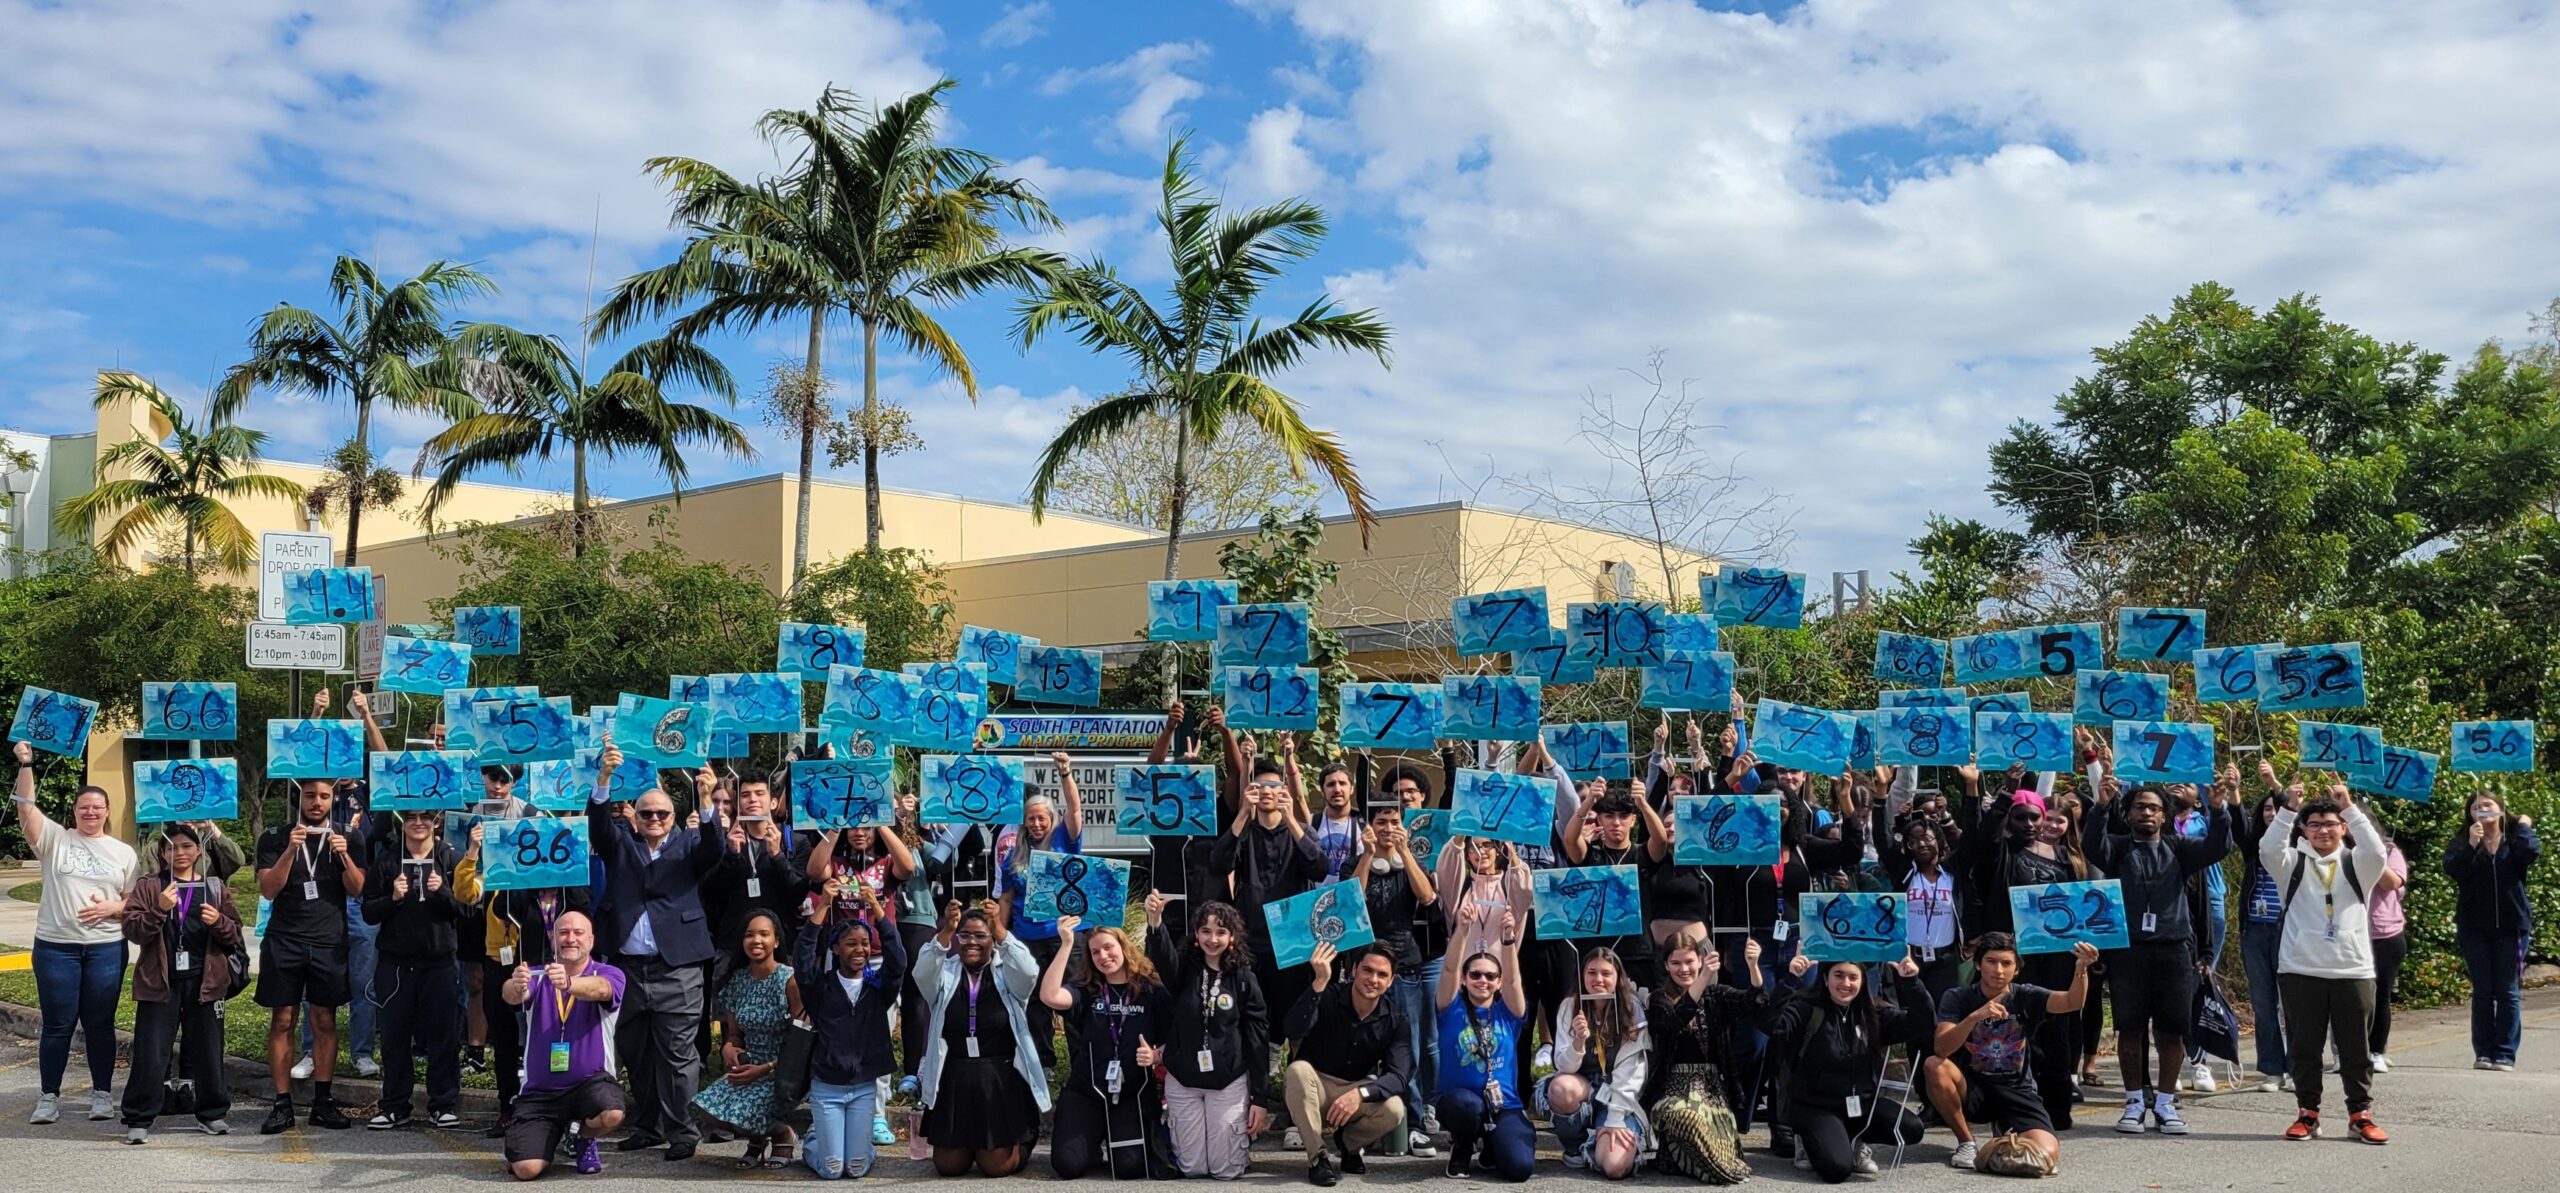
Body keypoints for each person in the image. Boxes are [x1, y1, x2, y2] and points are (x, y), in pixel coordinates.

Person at [587, 740, 729, 1160]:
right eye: (646, 812)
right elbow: (598, 828)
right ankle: (647, 1126)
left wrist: (706, 801)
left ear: (672, 817)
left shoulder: (689, 844)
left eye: (661, 813)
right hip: (627, 968)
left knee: (679, 1055)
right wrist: (604, 780)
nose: (653, 818)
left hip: (678, 967)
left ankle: (683, 1132)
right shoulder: (621, 845)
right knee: (636, 1052)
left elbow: (714, 849)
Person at [2082, 773, 2229, 1134]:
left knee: (2171, 1032)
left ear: (2165, 816)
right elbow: (2091, 846)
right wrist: (2102, 806)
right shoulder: (2117, 848)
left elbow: (2218, 846)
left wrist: (2220, 808)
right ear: (2129, 813)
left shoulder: (2180, 848)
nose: (2146, 813)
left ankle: (2165, 1104)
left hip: (2174, 950)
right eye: (2139, 807)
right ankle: (2134, 1102)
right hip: (2128, 952)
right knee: (2129, 1030)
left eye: (2154, 808)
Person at [13, 742, 138, 1127]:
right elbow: (25, 808)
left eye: (97, 807)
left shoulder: (123, 853)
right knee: (57, 1024)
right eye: (84, 806)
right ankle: (49, 1096)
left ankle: (102, 1095)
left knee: (100, 1024)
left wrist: (113, 908)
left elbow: (132, 901)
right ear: (75, 811)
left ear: (106, 812)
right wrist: (26, 763)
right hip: (56, 948)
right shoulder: (54, 840)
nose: (90, 812)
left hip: (104, 948)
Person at [2261, 790, 2390, 1143]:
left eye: (2330, 824)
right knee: (2305, 1047)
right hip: (2301, 968)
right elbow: (2268, 849)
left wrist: (2348, 804)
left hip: (2353, 969)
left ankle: (2360, 1115)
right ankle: (2308, 1113)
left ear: (2343, 828)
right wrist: (2288, 808)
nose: (2322, 831)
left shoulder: (2357, 864)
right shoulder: (2292, 864)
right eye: (2314, 824)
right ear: (2303, 830)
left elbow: (2378, 851)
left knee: (2356, 1049)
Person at [456, 819, 592, 1137]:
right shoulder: (511, 881)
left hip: (551, 971)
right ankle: (508, 1108)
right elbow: (478, 898)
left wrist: (565, 873)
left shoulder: (565, 889)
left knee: (552, 1041)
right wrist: (486, 856)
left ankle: (559, 1109)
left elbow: (584, 908)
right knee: (505, 1041)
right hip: (506, 968)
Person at [1924, 933, 2098, 1172]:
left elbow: (2071, 1002)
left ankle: (2001, 1140)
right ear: (1977, 964)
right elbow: (1941, 1047)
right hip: (1974, 1087)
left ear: (2016, 969)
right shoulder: (1958, 997)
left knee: (2046, 1155)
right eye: (1991, 962)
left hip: (2017, 1088)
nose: (1998, 970)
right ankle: (1966, 1142)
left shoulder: (2025, 995)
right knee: (1934, 1065)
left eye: (2006, 963)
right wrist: (1975, 1016)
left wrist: (2081, 969)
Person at [254, 775, 367, 1133]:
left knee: (324, 1021)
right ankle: (282, 1102)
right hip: (284, 939)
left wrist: (343, 855)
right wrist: (290, 849)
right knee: (283, 1020)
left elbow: (359, 889)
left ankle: (324, 1100)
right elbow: (268, 890)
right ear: (298, 797)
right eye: (309, 795)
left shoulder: (349, 836)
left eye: (323, 796)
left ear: (333, 798)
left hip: (328, 940)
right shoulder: (274, 836)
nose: (316, 802)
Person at [117, 822, 242, 1141]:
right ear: (161, 852)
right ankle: (140, 1118)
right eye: (171, 847)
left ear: (198, 850)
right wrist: (159, 909)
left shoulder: (214, 887)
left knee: (209, 1051)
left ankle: (212, 1113)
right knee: (151, 1052)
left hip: (206, 982)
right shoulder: (149, 887)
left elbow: (235, 935)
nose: (179, 853)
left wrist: (219, 922)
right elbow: (133, 931)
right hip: (160, 983)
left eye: (186, 846)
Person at [1767, 952, 1932, 1183]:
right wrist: (1791, 979)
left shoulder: (1871, 1013)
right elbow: (1772, 1025)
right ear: (1825, 978)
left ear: (1863, 981)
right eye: (1838, 975)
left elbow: (1921, 1025)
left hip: (1861, 1105)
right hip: (1816, 1107)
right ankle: (1806, 1139)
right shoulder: (1806, 1008)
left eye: (1853, 977)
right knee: (1836, 1169)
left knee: (1912, 1128)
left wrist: (1911, 982)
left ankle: (1854, 1140)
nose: (1845, 983)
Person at [914, 899, 1047, 1176]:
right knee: (948, 1167)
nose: (971, 942)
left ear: (992, 941)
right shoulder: (945, 972)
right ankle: (975, 1144)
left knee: (996, 1167)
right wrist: (946, 931)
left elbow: (1029, 970)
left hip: (999, 1075)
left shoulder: (1006, 973)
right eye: (965, 935)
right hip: (955, 1074)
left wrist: (999, 928)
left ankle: (1023, 1139)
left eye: (980, 936)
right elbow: (922, 971)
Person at [1041, 913, 1177, 1179]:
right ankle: (1091, 1147)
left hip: (1131, 1093)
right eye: (1095, 952)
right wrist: (1067, 943)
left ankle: (1114, 1137)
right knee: (1067, 1166)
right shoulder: (1087, 988)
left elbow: (1173, 1036)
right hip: (1087, 1092)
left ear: (1123, 947)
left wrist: (1156, 1055)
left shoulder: (1151, 990)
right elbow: (1049, 996)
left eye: (1108, 948)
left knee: (1129, 1168)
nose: (1103, 956)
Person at [1213, 742, 1326, 1064]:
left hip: (1293, 941)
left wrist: (1291, 819)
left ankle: (1295, 1086)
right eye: (1259, 787)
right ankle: (1256, 1084)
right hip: (1251, 938)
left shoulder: (1301, 830)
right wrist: (1242, 815)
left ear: (1284, 792)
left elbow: (1319, 869)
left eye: (1273, 787)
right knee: (1251, 1014)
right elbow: (1219, 864)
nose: (1266, 792)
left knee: (1297, 1020)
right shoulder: (1243, 832)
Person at [1146, 894, 1271, 1180]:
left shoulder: (1243, 979)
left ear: (1231, 938)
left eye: (1220, 932)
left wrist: (1260, 1099)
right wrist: (1156, 924)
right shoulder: (1184, 971)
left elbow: (1257, 1039)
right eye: (1205, 931)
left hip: (1228, 1079)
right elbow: (1164, 960)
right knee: (1193, 1168)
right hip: (1184, 1077)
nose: (1212, 939)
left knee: (1225, 1171)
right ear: (1196, 935)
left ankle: (1234, 1146)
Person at [359, 808, 467, 1130]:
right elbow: (367, 912)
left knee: (443, 1037)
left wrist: (443, 892)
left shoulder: (451, 859)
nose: (418, 822)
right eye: (410, 817)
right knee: (394, 1037)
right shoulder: (387, 861)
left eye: (425, 817)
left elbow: (466, 911)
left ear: (435, 821)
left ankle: (443, 1103)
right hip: (396, 965)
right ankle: (395, 1105)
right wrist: (392, 898)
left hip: (440, 963)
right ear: (401, 822)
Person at [796, 873, 908, 1180]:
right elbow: (803, 959)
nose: (859, 950)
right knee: (832, 1170)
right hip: (827, 1088)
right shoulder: (821, 988)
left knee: (856, 1169)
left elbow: (897, 960)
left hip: (862, 1089)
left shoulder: (878, 989)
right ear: (835, 949)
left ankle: (854, 1148)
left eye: (864, 944)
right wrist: (824, 906)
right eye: (850, 944)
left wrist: (876, 906)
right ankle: (814, 1139)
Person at [500, 911, 627, 1180]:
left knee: (612, 1113)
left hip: (590, 1084)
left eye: (578, 933)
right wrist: (516, 983)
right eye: (564, 933)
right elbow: (511, 994)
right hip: (541, 1092)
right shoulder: (538, 974)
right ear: (553, 938)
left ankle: (583, 1137)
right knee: (525, 1170)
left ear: (591, 940)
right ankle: (544, 1137)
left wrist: (569, 984)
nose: (571, 939)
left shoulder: (609, 973)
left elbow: (602, 989)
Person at [1349, 796, 1438, 1159]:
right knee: (1365, 1048)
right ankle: (1367, 1127)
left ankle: (1414, 1124)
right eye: (1381, 822)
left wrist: (1406, 852)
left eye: (1394, 821)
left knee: (1409, 1047)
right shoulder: (1356, 862)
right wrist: (1368, 855)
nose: (1387, 829)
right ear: (1369, 826)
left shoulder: (1408, 863)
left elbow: (1428, 896)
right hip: (1365, 963)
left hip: (1405, 965)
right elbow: (1352, 897)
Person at [1281, 943, 1413, 1186]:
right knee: (1297, 1071)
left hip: (1355, 1090)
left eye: (1382, 974)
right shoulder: (1327, 994)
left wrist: (1361, 1094)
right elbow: (1292, 1029)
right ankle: (1317, 1157)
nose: (1373, 979)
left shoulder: (1396, 1019)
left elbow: (1399, 1076)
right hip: (1316, 1085)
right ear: (1354, 970)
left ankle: (1349, 1146)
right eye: (1367, 970)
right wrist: (1318, 982)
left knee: (1394, 1109)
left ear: (1391, 981)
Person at [1645, 935, 1764, 1184]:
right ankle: (1709, 1167)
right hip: (1674, 1091)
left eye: (1689, 961)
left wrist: (1753, 966)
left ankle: (1695, 1164)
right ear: (1666, 965)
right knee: (1688, 1119)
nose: (1684, 969)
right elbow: (1673, 1022)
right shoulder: (1658, 999)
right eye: (1676, 963)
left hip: (1711, 1091)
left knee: (1715, 1137)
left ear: (1700, 961)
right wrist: (1702, 980)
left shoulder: (1715, 996)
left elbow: (1753, 1003)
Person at [692, 910, 803, 1167]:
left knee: (741, 1113)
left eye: (764, 934)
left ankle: (782, 1134)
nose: (756, 940)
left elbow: (801, 1041)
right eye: (749, 935)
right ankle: (758, 1136)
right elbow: (734, 1034)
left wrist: (766, 1068)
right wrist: (729, 1049)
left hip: (782, 1070)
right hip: (747, 1068)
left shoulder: (789, 980)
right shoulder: (738, 980)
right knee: (702, 1110)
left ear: (776, 941)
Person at [1432, 909, 1534, 1182]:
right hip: (1461, 1103)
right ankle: (1463, 1145)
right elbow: (1450, 968)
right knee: (1466, 1106)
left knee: (1519, 1168)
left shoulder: (1508, 1012)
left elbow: (1514, 980)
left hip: (1504, 1104)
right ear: (1465, 980)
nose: (1483, 981)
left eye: (1490, 977)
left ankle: (1491, 1146)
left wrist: (1508, 939)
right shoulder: (1450, 1009)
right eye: (1475, 975)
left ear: (1498, 983)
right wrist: (1462, 929)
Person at [996, 752, 1085, 1061]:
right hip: (1028, 939)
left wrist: (1065, 773)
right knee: (1034, 1002)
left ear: (1051, 819)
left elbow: (1075, 809)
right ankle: (1043, 1062)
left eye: (1041, 818)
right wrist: (1001, 937)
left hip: (1067, 937)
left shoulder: (1065, 841)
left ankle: (1080, 1060)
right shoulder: (1014, 855)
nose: (1036, 823)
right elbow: (1006, 898)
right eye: (1030, 818)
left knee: (1072, 997)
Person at [2443, 789, 2539, 1072]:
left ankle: (2505, 1053)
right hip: (2474, 927)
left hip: (2513, 926)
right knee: (2483, 991)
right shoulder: (2462, 841)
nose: (2482, 810)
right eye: (2476, 807)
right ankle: (2484, 1052)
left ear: (2500, 808)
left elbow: (2531, 853)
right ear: (2469, 814)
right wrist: (2472, 845)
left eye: (2488, 805)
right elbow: (2454, 870)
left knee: (2507, 991)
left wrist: (2523, 825)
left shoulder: (2514, 839)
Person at [1536, 946, 1651, 1179]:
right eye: (1591, 972)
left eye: (1606, 973)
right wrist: (1578, 1041)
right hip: (1584, 1085)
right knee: (1560, 1089)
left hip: (1619, 1093)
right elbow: (1564, 1068)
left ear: (1618, 977)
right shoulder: (1570, 1006)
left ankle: (1600, 1141)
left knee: (1615, 1167)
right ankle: (1575, 1145)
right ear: (1582, 975)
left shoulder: (1631, 1009)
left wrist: (1615, 1118)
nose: (1598, 979)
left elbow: (1634, 1071)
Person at [2235, 769, 2300, 1089]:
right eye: (2266, 809)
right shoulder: (2254, 847)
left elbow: (2298, 815)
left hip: (2290, 930)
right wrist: (2233, 794)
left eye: (2277, 807)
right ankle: (2273, 1069)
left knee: (2295, 1003)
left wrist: (2276, 785)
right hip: (2256, 931)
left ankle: (2298, 1067)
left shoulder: (2300, 842)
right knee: (2264, 1004)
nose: (2272, 813)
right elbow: (2236, 828)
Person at [2365, 824, 2409, 1073]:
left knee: (2380, 996)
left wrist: (2372, 855)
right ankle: (2351, 1051)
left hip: (2385, 934)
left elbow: (2391, 882)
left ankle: (2377, 1051)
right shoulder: (2339, 851)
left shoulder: (2389, 851)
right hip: (2349, 933)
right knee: (2351, 999)